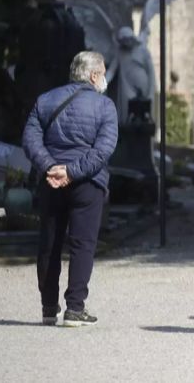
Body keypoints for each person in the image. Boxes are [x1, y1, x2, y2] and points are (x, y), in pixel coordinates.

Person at [22, 51, 118, 327]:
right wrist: (72, 172)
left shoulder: (46, 99)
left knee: (49, 243)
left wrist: (51, 166)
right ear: (93, 75)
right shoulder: (105, 107)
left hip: (50, 181)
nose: (104, 79)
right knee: (82, 243)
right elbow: (103, 150)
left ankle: (48, 307)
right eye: (102, 73)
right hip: (88, 183)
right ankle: (75, 308)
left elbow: (30, 139)